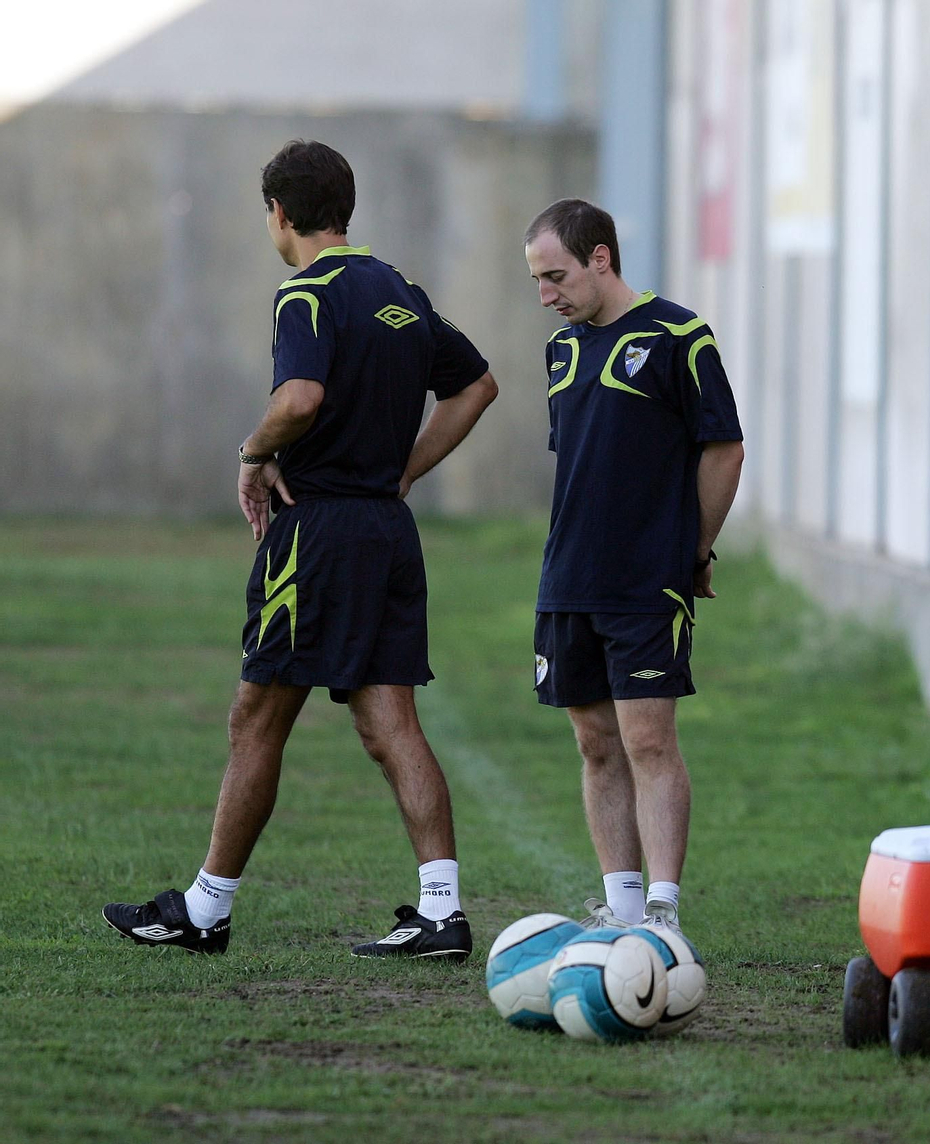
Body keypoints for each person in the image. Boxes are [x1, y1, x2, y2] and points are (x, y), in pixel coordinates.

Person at [103, 140, 499, 960]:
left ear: (279, 214)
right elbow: (477, 386)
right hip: (388, 535)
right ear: (344, 208)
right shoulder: (399, 290)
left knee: (258, 715)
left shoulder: (305, 293)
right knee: (390, 718)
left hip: (315, 533)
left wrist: (252, 454)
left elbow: (299, 398)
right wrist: (405, 472)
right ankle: (441, 912)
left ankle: (205, 911)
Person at [523, 198, 744, 936]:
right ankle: (618, 909)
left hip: (646, 579)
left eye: (555, 276)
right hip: (568, 578)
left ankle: (663, 912)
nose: (546, 295)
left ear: (601, 259)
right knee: (594, 743)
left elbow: (724, 449)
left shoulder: (680, 335)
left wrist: (694, 550)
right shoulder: (562, 352)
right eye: (536, 282)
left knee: (649, 741)